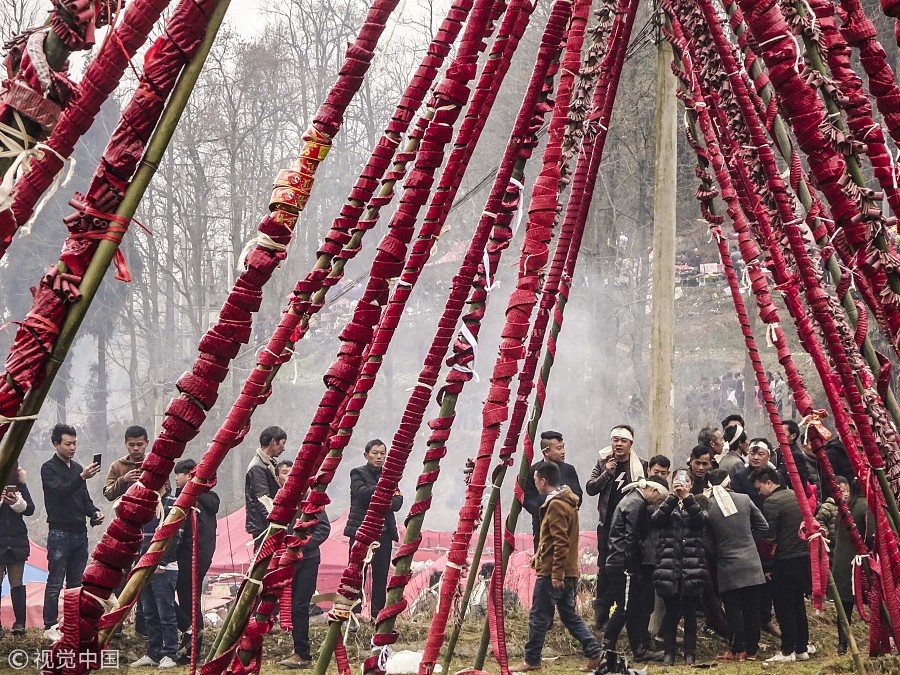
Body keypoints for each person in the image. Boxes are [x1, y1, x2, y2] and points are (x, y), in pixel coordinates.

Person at [511, 462, 602, 673]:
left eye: (536, 480)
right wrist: (539, 555)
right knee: (569, 616)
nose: (535, 483)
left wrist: (556, 573)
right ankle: (594, 651)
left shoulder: (556, 505)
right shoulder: (565, 502)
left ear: (543, 481)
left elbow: (561, 542)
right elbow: (552, 539)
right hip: (565, 569)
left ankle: (531, 659)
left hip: (554, 572)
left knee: (538, 616)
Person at [41, 423, 103, 640]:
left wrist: (94, 513)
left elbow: (83, 499)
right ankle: (50, 624)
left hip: (79, 532)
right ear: (56, 444)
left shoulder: (77, 468)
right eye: (68, 444)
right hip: (59, 532)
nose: (72, 448)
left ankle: (72, 622)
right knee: (56, 580)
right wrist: (81, 478)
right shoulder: (48, 468)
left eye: (75, 443)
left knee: (76, 583)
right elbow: (59, 493)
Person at [586, 425, 647, 631]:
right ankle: (601, 615)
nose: (618, 444)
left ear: (631, 443)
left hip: (629, 527)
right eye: (615, 440)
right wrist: (607, 474)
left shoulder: (641, 466)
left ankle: (627, 613)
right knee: (605, 569)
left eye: (623, 440)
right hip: (606, 526)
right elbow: (591, 488)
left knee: (628, 568)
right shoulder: (603, 462)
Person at [601, 476, 667, 662]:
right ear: (654, 491)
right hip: (624, 563)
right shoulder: (636, 504)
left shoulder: (630, 500)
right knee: (624, 608)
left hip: (619, 560)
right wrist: (632, 566)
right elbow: (631, 536)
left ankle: (639, 650)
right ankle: (605, 650)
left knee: (633, 608)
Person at [705, 469, 768, 661]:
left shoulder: (708, 505)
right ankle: (752, 650)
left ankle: (737, 648)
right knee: (752, 608)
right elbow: (763, 526)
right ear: (729, 483)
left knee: (734, 610)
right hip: (752, 562)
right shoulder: (744, 499)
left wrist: (717, 552)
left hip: (727, 565)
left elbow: (707, 540)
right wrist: (750, 543)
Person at [753, 467, 812, 662]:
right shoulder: (797, 496)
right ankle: (801, 647)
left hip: (785, 561)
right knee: (798, 605)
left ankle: (787, 650)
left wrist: (767, 566)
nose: (759, 493)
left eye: (759, 488)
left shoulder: (772, 502)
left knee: (784, 606)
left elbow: (770, 538)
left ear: (768, 482)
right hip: (803, 558)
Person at [652, 470, 709, 666]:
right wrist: (672, 500)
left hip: (693, 566)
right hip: (669, 565)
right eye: (677, 480)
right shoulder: (663, 502)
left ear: (691, 484)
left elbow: (701, 521)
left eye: (684, 481)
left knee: (690, 613)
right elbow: (656, 521)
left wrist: (687, 499)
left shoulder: (699, 501)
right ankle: (669, 654)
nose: (680, 484)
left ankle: (690, 654)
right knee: (671, 612)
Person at [344, 439, 402, 620]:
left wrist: (379, 494)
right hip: (361, 532)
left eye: (382, 453)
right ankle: (354, 614)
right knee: (356, 574)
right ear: (366, 455)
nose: (379, 457)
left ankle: (378, 616)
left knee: (380, 575)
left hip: (384, 533)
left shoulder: (390, 475)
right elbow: (361, 495)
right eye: (375, 453)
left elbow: (397, 502)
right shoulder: (357, 473)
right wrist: (384, 490)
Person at [172, 459, 219, 664]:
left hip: (192, 558)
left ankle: (193, 643)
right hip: (194, 558)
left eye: (178, 474)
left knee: (188, 600)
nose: (175, 478)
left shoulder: (198, 500)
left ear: (189, 475)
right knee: (189, 600)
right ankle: (191, 643)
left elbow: (195, 535)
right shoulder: (199, 499)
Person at [130, 485, 183, 669]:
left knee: (165, 611)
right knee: (149, 612)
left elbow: (176, 536)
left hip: (164, 568)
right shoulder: (144, 505)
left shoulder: (172, 504)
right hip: (143, 566)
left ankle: (170, 652)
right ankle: (153, 652)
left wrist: (162, 562)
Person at [278, 510, 332, 669]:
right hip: (284, 559)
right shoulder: (282, 501)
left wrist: (303, 544)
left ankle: (302, 654)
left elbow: (323, 528)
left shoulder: (311, 502)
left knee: (299, 606)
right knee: (286, 604)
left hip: (308, 559)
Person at [831, 477, 872, 655]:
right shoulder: (867, 507)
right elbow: (871, 536)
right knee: (876, 604)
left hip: (841, 564)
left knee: (844, 607)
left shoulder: (846, 507)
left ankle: (843, 644)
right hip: (862, 565)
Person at [523, 431, 583, 548]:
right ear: (546, 452)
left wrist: (563, 511)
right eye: (559, 449)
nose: (563, 452)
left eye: (563, 447)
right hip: (541, 526)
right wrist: (543, 511)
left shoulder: (569, 469)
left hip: (566, 525)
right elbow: (527, 498)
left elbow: (578, 496)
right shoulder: (534, 471)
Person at [0, 464, 35, 637]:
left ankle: (20, 623)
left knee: (17, 583)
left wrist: (16, 502)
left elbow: (30, 509)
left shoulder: (20, 484)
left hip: (16, 539)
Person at [245, 426, 287, 548]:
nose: (283, 448)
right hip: (264, 528)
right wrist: (276, 524)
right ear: (273, 441)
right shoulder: (258, 467)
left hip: (265, 526)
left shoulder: (267, 464)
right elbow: (263, 500)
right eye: (282, 443)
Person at [104, 425, 150, 501]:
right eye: (131, 445)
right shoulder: (117, 466)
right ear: (126, 443)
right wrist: (123, 480)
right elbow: (108, 494)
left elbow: (166, 489)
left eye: (140, 444)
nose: (136, 448)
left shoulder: (153, 464)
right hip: (124, 510)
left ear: (147, 443)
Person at [732, 438, 777, 510]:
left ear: (769, 457)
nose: (756, 457)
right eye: (752, 454)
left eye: (760, 454)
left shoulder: (776, 476)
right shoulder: (739, 477)